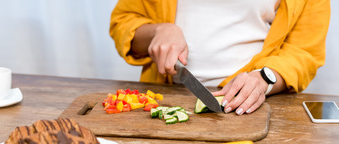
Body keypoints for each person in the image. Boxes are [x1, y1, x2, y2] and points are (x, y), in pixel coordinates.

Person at [109, 0, 330, 115]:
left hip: (255, 105)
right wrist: (158, 31)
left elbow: (305, 51)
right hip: (167, 97)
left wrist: (264, 79)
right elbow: (123, 22)